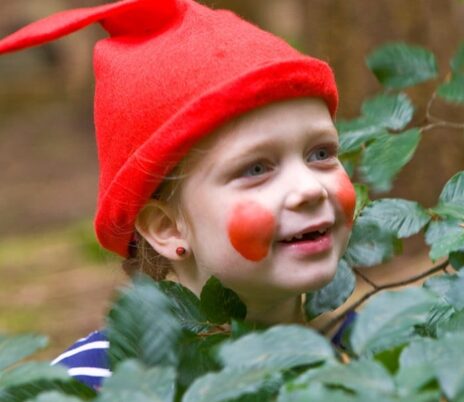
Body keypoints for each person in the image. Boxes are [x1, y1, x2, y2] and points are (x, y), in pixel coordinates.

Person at [0, 0, 356, 390]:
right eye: (256, 169)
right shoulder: (93, 386)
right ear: (167, 227)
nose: (310, 188)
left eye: (320, 154)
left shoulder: (370, 350)